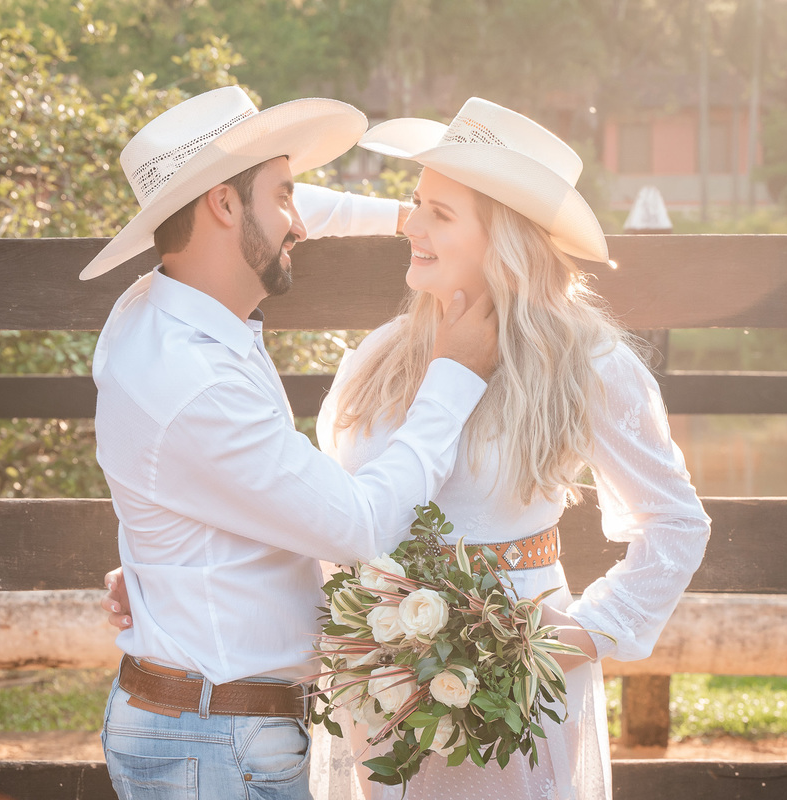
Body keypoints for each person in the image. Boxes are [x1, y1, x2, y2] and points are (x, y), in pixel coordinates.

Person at [105, 96, 710, 800]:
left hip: (519, 683)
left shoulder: (588, 361)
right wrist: (177, 575)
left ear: (505, 238)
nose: (410, 224)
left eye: (436, 213)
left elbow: (675, 522)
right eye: (415, 204)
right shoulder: (380, 358)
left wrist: (581, 636)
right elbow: (330, 513)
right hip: (381, 684)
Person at [84, 85, 499, 800]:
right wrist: (453, 377)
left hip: (203, 721)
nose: (301, 223)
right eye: (284, 198)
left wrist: (418, 222)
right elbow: (358, 526)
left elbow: (292, 213)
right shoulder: (197, 381)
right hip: (217, 746)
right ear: (221, 205)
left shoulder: (156, 309)